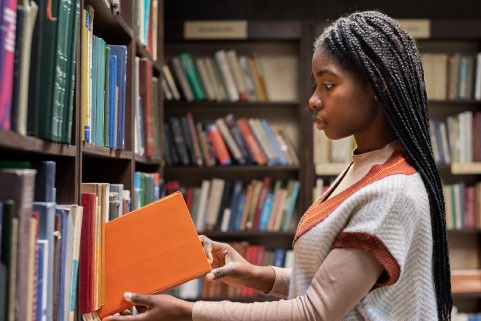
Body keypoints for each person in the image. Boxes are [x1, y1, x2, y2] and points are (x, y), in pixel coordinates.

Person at [103, 10, 452, 321]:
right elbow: (335, 288)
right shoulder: (366, 166)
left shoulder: (391, 191)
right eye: (315, 85)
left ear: (378, 87)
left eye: (328, 85)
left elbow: (315, 311)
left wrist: (187, 312)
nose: (313, 100)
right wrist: (255, 274)